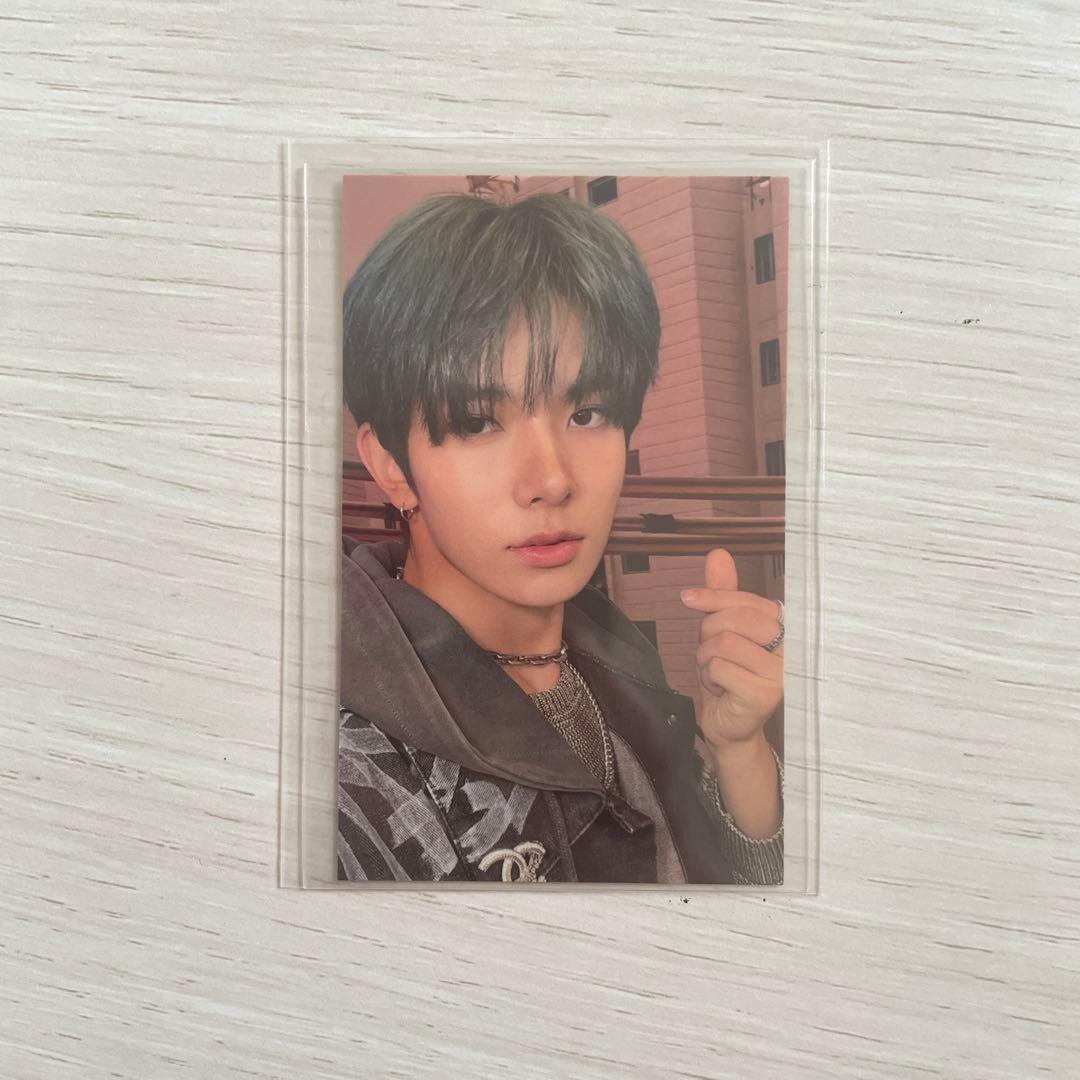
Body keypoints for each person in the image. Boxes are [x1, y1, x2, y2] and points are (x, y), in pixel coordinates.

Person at [338, 191, 784, 884]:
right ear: (392, 465)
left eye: (588, 413)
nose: (551, 480)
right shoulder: (341, 765)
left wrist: (738, 750)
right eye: (479, 421)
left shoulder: (618, 655)